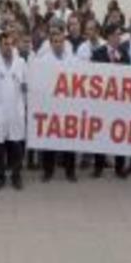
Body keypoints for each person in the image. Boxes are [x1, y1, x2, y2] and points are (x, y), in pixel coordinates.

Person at [0, 31, 28, 190]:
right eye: (5, 44)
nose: (8, 47)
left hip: (16, 111)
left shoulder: (21, 62)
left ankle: (16, 176)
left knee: (16, 146)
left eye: (10, 44)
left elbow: (26, 86)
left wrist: (25, 97)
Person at [90, 24, 131, 178]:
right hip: (101, 102)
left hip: (119, 102)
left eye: (120, 34)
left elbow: (130, 76)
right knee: (99, 134)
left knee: (119, 133)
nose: (119, 37)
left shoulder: (124, 54)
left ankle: (119, 167)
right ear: (108, 36)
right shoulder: (97, 53)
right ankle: (98, 166)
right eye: (116, 34)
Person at [39, 24, 78, 182]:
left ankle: (70, 171)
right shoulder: (43, 60)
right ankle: (48, 171)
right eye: (55, 41)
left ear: (64, 42)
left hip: (68, 105)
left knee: (69, 140)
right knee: (49, 140)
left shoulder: (72, 59)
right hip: (50, 105)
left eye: (60, 41)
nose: (58, 44)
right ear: (50, 43)